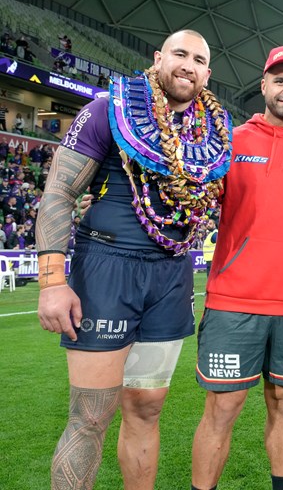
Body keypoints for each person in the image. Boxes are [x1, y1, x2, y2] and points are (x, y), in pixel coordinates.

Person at [36, 29, 234, 490]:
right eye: (180, 54)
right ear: (158, 58)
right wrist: (51, 281)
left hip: (172, 274)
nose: (188, 65)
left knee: (147, 407)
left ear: (208, 73)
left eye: (199, 59)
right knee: (90, 415)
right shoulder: (109, 109)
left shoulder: (214, 131)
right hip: (107, 268)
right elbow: (59, 193)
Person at [190, 44, 283, 490]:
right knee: (222, 408)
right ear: (264, 85)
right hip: (235, 298)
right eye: (281, 81)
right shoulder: (232, 141)